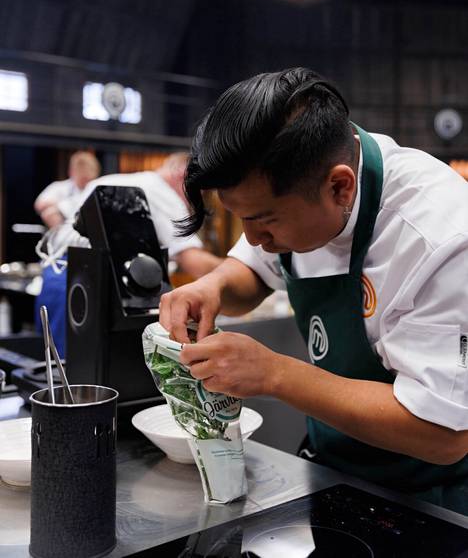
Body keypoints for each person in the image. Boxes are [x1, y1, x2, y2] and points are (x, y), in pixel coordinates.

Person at [159, 67, 468, 515]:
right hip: (335, 471)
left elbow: (442, 435)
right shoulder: (296, 183)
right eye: (241, 218)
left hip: (433, 499)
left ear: (340, 187)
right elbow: (252, 272)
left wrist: (274, 374)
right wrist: (213, 286)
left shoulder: (438, 237)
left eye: (264, 221)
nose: (254, 237)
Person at [35, 152, 222, 356]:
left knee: (57, 366)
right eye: (199, 192)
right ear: (183, 174)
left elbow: (54, 212)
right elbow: (193, 260)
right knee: (84, 370)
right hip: (92, 284)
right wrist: (237, 271)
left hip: (58, 277)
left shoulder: (112, 180)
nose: (196, 200)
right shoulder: (160, 191)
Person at [34, 151, 101, 228]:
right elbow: (40, 205)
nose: (84, 181)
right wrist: (63, 206)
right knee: (50, 213)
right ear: (71, 172)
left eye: (87, 177)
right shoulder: (60, 187)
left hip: (89, 228)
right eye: (81, 175)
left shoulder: (96, 188)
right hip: (65, 229)